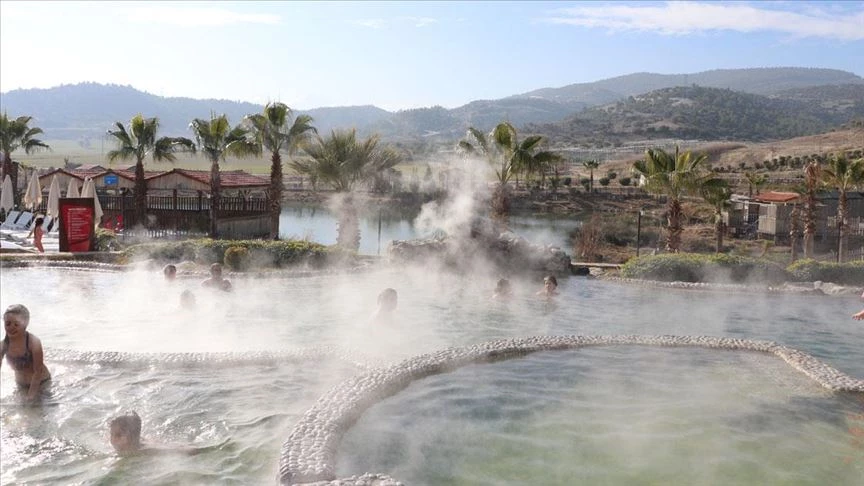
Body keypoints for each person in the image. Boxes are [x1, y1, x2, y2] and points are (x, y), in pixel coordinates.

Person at [1, 304, 51, 402]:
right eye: (8, 324)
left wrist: (31, 396)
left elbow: (38, 371)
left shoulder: (33, 342)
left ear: (25, 324)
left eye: (16, 324)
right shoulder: (3, 346)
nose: (11, 327)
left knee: (37, 408)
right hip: (20, 384)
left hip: (42, 383)